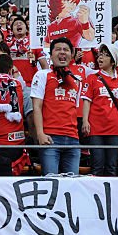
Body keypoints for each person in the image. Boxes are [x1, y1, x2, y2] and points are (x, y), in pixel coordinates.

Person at [31, 37, 82, 175]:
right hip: (50, 138)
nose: (62, 52)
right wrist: (40, 133)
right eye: (58, 49)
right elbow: (36, 107)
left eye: (66, 50)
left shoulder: (77, 80)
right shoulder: (42, 75)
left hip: (73, 140)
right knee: (50, 182)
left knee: (72, 185)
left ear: (72, 55)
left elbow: (74, 109)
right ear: (51, 54)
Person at [82, 43, 118, 177]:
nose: (100, 58)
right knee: (97, 165)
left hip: (114, 126)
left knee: (111, 166)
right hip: (96, 126)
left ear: (113, 62)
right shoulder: (92, 78)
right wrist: (85, 121)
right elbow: (86, 101)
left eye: (106, 55)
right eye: (100, 54)